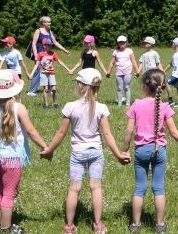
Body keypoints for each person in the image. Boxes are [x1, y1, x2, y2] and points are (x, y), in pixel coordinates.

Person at [40, 68, 131, 233]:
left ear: (80, 85)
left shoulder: (70, 107)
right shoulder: (102, 108)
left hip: (78, 154)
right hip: (96, 153)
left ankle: (68, 226)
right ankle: (97, 224)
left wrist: (49, 150)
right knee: (96, 187)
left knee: (74, 188)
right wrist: (118, 154)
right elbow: (108, 134)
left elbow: (61, 133)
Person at [121, 68, 178, 233]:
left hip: (141, 151)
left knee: (139, 188)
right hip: (159, 151)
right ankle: (159, 224)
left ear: (144, 85)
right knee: (158, 187)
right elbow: (175, 133)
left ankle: (135, 225)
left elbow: (129, 131)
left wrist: (125, 150)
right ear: (162, 87)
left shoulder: (136, 104)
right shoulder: (164, 106)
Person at [0, 69, 49, 233]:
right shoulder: (20, 108)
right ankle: (6, 227)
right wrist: (45, 147)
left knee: (1, 191)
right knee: (9, 193)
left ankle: (0, 221)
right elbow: (31, 131)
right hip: (12, 159)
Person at [28, 16, 70, 95]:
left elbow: (55, 42)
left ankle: (50, 89)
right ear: (43, 23)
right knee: (37, 71)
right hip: (39, 54)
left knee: (48, 70)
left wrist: (64, 50)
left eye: (50, 21)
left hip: (47, 55)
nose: (50, 23)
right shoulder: (38, 31)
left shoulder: (49, 31)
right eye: (48, 22)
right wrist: (36, 55)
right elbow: (33, 43)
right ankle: (31, 91)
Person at [29, 38, 71, 109]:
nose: (50, 46)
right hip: (43, 73)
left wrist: (68, 69)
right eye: (48, 45)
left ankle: (55, 103)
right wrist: (31, 74)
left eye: (51, 45)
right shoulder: (40, 54)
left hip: (51, 73)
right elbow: (36, 65)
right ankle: (46, 104)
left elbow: (59, 61)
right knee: (45, 89)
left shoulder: (53, 54)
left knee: (54, 89)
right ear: (44, 45)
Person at [107, 35, 139, 107]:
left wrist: (137, 71)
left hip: (127, 71)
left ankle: (127, 104)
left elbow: (133, 61)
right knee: (119, 88)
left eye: (123, 42)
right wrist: (108, 71)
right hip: (119, 72)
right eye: (120, 42)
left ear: (126, 42)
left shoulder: (129, 51)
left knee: (126, 87)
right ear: (118, 43)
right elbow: (112, 62)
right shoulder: (115, 52)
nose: (122, 44)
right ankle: (119, 104)